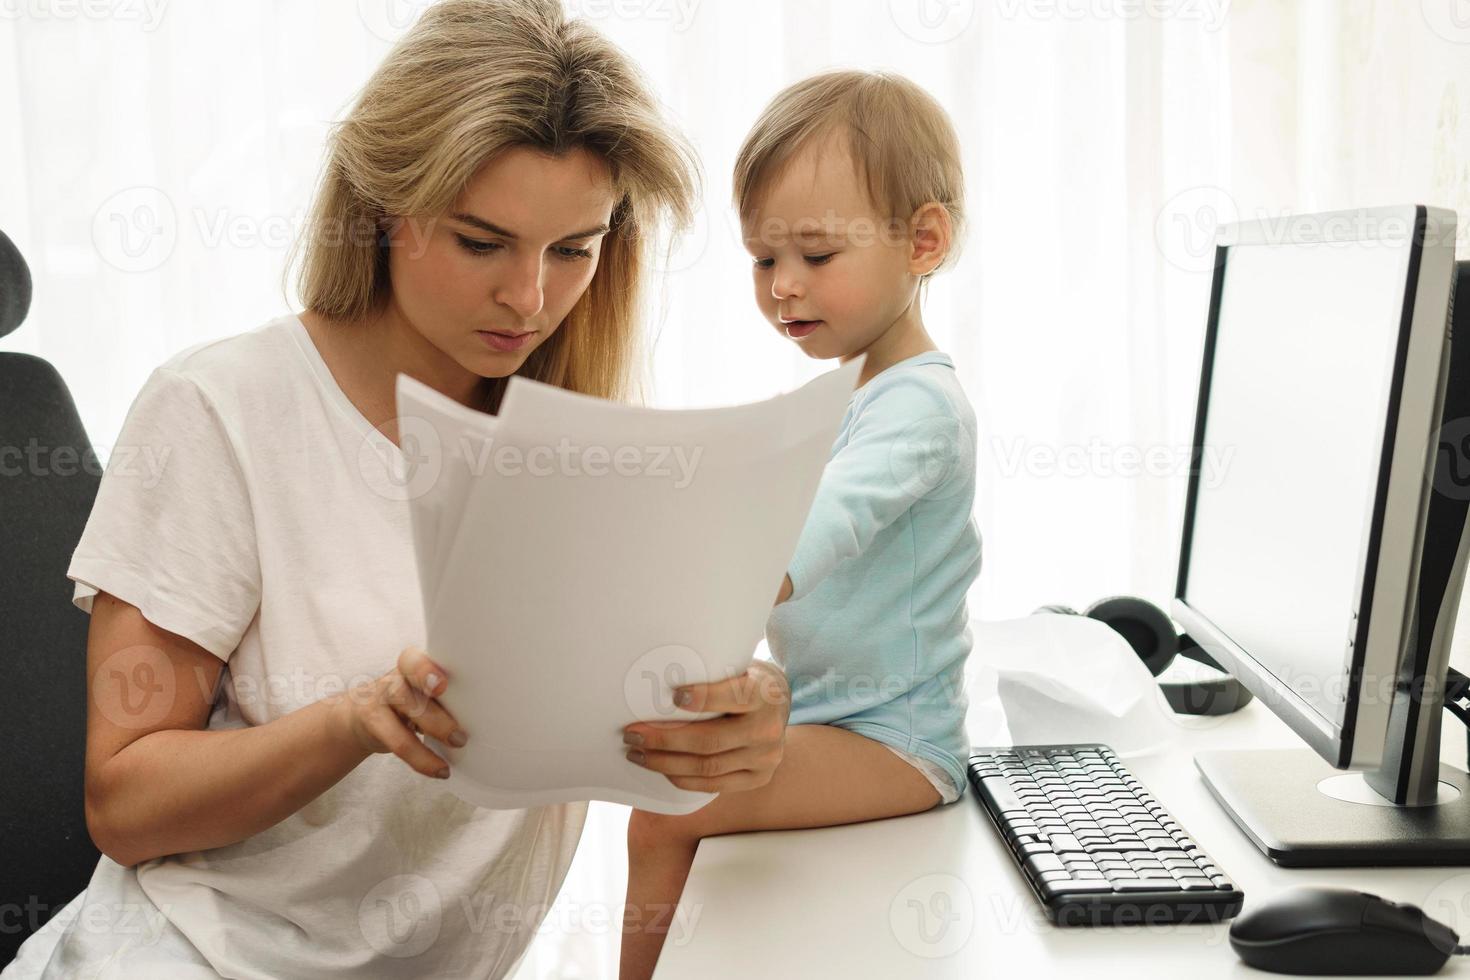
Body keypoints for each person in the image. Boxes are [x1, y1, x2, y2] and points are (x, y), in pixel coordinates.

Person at [1, 2, 791, 977]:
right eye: (480, 241)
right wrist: (349, 722)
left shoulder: (582, 448)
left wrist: (733, 721)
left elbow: (642, 717)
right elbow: (123, 804)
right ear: (386, 208)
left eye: (573, 249)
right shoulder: (218, 410)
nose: (530, 298)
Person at [619, 70, 981, 980]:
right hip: (838, 714)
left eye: (816, 257)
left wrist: (705, 584)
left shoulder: (919, 407)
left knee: (669, 808)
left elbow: (823, 523)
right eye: (762, 259)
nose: (782, 287)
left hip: (899, 745)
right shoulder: (852, 389)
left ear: (924, 241)